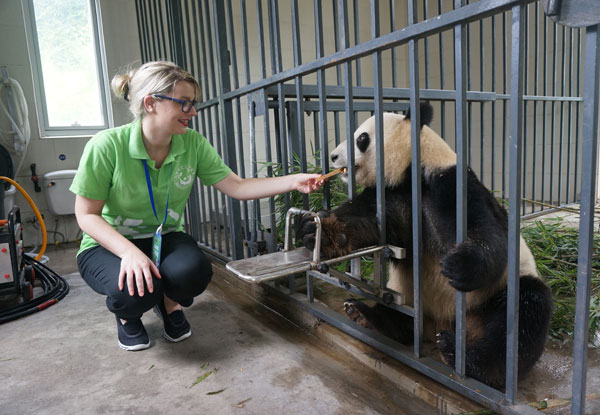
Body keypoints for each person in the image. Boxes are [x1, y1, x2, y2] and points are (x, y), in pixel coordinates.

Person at [70, 61, 323, 351]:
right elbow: (86, 215)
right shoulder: (106, 146)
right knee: (132, 291)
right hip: (108, 243)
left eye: (193, 103)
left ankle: (170, 305)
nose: (193, 112)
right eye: (184, 104)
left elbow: (237, 187)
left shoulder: (192, 144)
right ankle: (128, 317)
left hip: (162, 236)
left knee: (194, 272)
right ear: (151, 103)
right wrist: (128, 252)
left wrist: (295, 181)